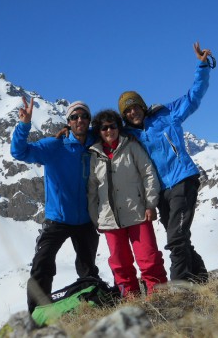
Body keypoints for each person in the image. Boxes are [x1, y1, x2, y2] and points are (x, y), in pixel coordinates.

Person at [117, 41, 214, 283]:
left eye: (135, 107)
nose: (132, 112)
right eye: (127, 111)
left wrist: (202, 66)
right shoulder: (128, 136)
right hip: (160, 191)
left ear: (141, 105)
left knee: (176, 238)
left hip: (182, 178)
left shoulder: (165, 115)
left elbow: (193, 97)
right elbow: (102, 134)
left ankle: (179, 287)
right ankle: (201, 280)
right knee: (180, 237)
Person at [10, 98, 100, 314]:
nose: (80, 119)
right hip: (57, 219)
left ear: (89, 120)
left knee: (88, 269)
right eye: (74, 116)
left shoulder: (95, 144)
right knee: (42, 265)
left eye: (84, 116)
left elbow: (113, 130)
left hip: (85, 220)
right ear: (68, 122)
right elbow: (19, 152)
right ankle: (38, 315)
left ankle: (92, 305)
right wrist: (24, 125)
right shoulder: (54, 146)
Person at [87, 110, 168, 297]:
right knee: (120, 264)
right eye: (104, 127)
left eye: (113, 126)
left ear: (119, 127)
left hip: (138, 213)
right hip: (109, 219)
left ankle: (160, 297)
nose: (109, 130)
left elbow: (149, 174)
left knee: (149, 259)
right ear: (99, 131)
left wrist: (150, 203)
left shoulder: (131, 146)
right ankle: (130, 299)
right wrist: (95, 218)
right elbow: (92, 190)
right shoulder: (94, 155)